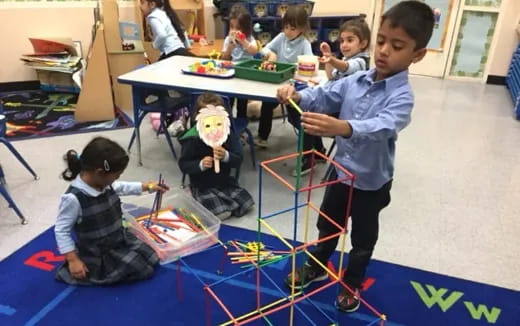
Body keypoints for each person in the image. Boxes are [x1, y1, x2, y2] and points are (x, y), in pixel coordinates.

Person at [276, 1, 434, 312]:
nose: (384, 51)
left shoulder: (402, 96)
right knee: (328, 224)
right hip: (340, 171)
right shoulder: (356, 79)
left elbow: (384, 125)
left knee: (362, 239)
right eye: (382, 41)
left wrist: (344, 127)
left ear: (417, 55)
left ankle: (352, 280)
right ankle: (318, 266)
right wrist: (297, 94)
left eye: (397, 46)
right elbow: (324, 95)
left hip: (371, 182)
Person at [54, 137, 168, 285]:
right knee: (141, 269)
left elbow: (122, 187)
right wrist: (73, 260)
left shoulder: (103, 183)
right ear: (99, 173)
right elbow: (61, 230)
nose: (116, 180)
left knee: (152, 257)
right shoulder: (73, 199)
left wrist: (146, 186)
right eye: (116, 176)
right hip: (99, 252)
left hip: (119, 238)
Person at [291, 17, 372, 176]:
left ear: (363, 43)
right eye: (342, 41)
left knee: (307, 119)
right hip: (335, 103)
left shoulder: (361, 61)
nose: (344, 45)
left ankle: (309, 158)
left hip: (345, 111)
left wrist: (333, 60)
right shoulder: (345, 58)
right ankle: (318, 149)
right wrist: (328, 57)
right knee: (303, 112)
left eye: (350, 40)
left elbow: (348, 67)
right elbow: (331, 75)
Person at [179, 93, 254, 220]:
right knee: (222, 213)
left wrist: (226, 156)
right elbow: (184, 164)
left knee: (246, 204)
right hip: (202, 185)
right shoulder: (193, 138)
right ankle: (192, 195)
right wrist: (200, 164)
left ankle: (221, 202)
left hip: (224, 182)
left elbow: (238, 159)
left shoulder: (227, 135)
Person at [254, 5, 313, 148]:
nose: (288, 31)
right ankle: (263, 137)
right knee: (266, 105)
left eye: (292, 29)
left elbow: (310, 62)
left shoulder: (304, 43)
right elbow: (265, 48)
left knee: (297, 115)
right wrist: (270, 54)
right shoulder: (281, 37)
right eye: (285, 27)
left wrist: (298, 65)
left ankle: (310, 145)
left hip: (294, 87)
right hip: (277, 83)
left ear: (302, 28)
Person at [221, 7, 258, 119]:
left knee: (242, 102)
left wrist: (243, 42)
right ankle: (228, 121)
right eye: (232, 27)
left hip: (245, 73)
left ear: (246, 29)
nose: (234, 31)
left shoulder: (249, 38)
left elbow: (254, 50)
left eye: (238, 28)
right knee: (229, 99)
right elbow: (224, 57)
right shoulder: (228, 39)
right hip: (232, 72)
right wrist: (229, 48)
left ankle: (241, 121)